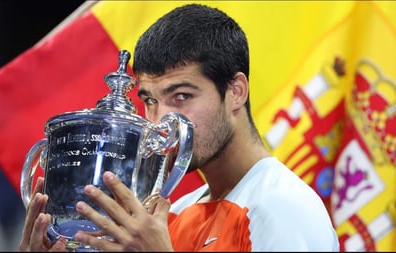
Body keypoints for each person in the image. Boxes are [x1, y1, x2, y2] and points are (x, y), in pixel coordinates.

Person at [19, 3, 339, 251]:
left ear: (236, 91)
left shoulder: (283, 207)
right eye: (150, 100)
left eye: (181, 96)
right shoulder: (166, 217)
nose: (160, 121)